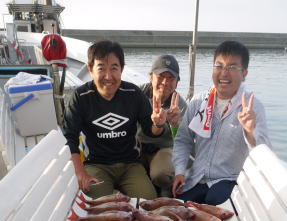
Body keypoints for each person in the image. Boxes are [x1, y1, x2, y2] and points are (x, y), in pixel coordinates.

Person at [63, 40, 169, 199]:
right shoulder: (81, 97)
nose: (108, 76)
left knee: (148, 201)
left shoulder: (133, 93)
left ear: (122, 69)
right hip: (96, 164)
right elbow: (70, 137)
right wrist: (80, 172)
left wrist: (158, 124)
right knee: (96, 205)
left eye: (114, 68)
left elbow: (150, 131)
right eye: (101, 68)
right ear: (90, 70)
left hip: (130, 164)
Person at [172, 40, 271, 205]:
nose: (224, 73)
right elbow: (183, 140)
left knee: (214, 201)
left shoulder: (252, 107)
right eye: (219, 66)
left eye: (232, 67)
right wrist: (180, 172)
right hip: (196, 180)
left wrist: (250, 132)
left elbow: (264, 153)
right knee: (174, 206)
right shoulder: (198, 102)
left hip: (229, 181)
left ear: (244, 73)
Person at [139, 54, 187, 196]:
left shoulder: (180, 106)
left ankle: (164, 190)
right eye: (160, 76)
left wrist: (174, 124)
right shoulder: (137, 95)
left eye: (171, 78)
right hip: (137, 147)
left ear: (177, 82)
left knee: (161, 174)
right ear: (151, 76)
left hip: (164, 149)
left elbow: (183, 142)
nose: (165, 82)